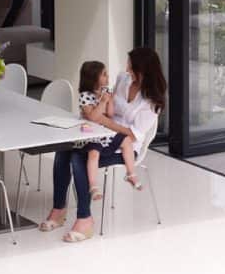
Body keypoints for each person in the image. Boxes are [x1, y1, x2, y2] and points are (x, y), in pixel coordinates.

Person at [40, 48, 167, 243]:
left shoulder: (152, 103)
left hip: (125, 145)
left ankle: (85, 219)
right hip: (100, 133)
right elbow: (108, 106)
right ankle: (59, 210)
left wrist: (104, 122)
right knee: (64, 149)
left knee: (78, 158)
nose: (127, 70)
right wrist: (97, 115)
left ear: (144, 72)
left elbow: (133, 135)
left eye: (131, 67)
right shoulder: (123, 79)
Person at [74, 60, 137, 201]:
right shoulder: (85, 96)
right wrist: (102, 102)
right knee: (93, 153)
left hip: (105, 133)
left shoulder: (105, 92)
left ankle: (131, 173)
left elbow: (110, 115)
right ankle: (94, 186)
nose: (108, 77)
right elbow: (92, 118)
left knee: (126, 140)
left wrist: (110, 101)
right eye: (104, 74)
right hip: (92, 135)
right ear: (93, 78)